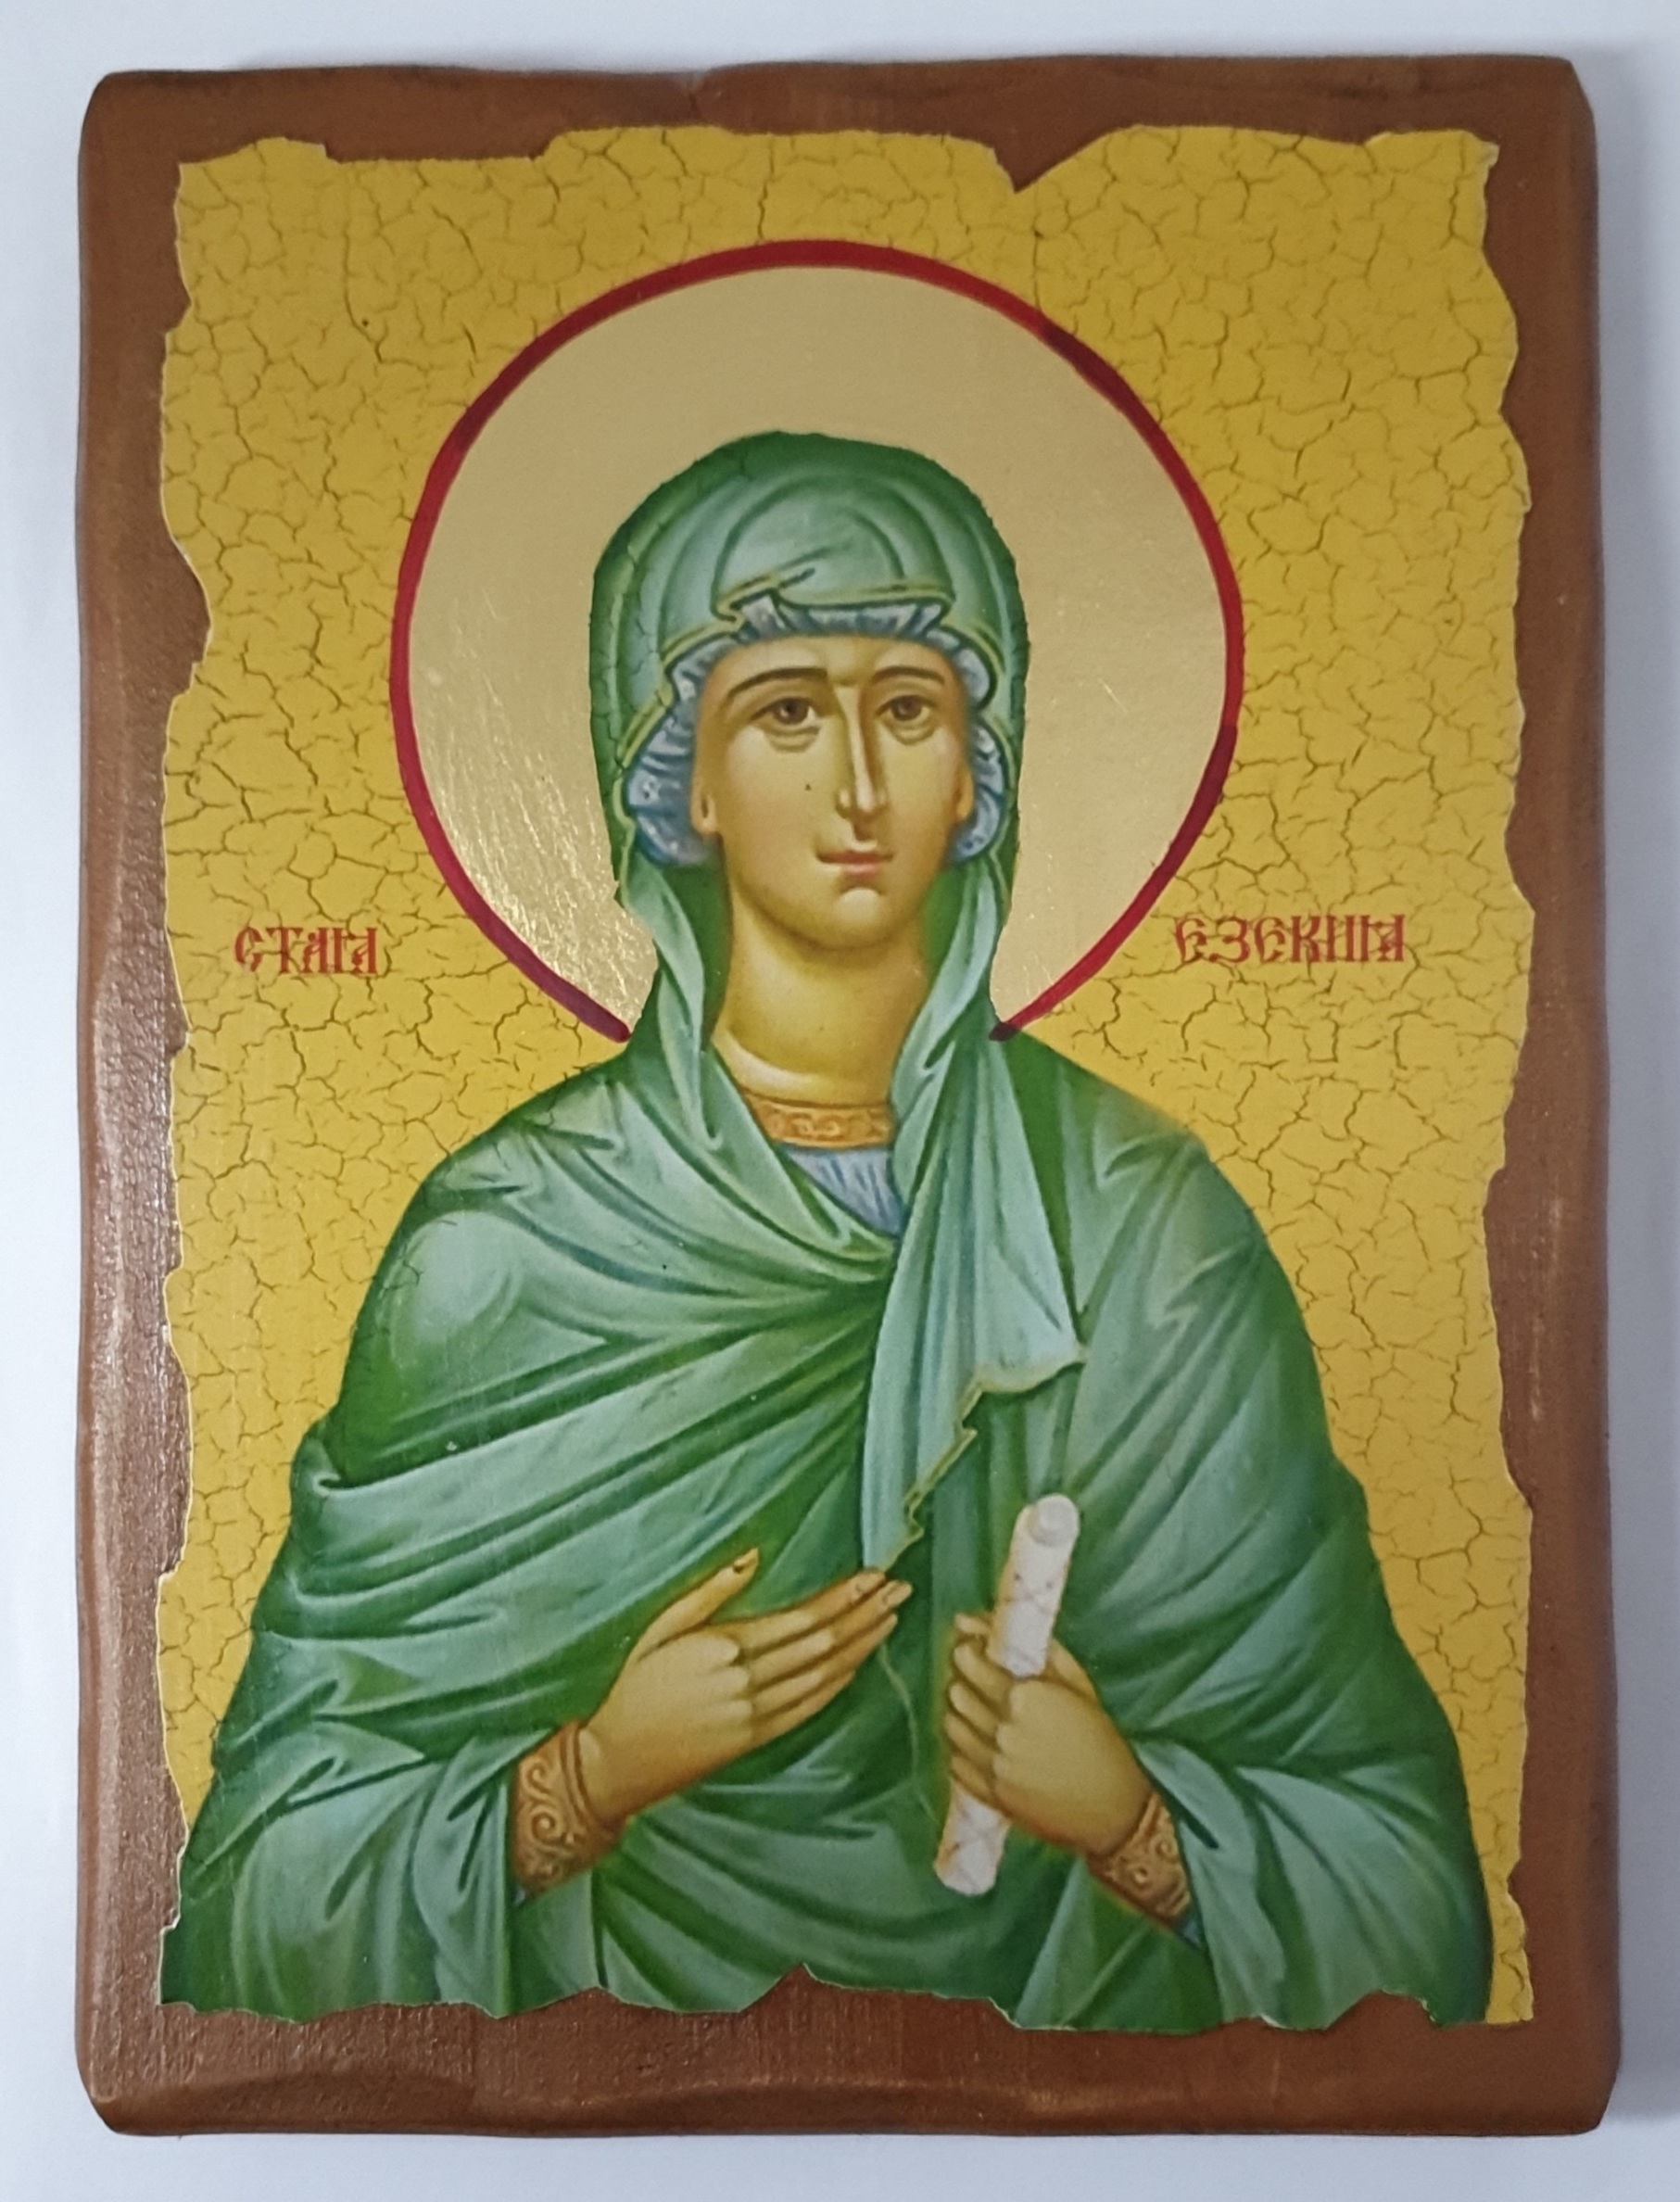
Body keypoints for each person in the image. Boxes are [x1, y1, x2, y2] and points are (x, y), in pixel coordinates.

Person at [162, 432, 1493, 2030]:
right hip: (620, 2063)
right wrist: (582, 1783)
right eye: (786, 713)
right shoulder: (502, 1246)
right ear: (681, 777)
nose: (858, 786)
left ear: (976, 770)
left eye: (909, 712)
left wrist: (1138, 1826)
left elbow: (1409, 1904)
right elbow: (255, 1905)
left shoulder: (1145, 1227)